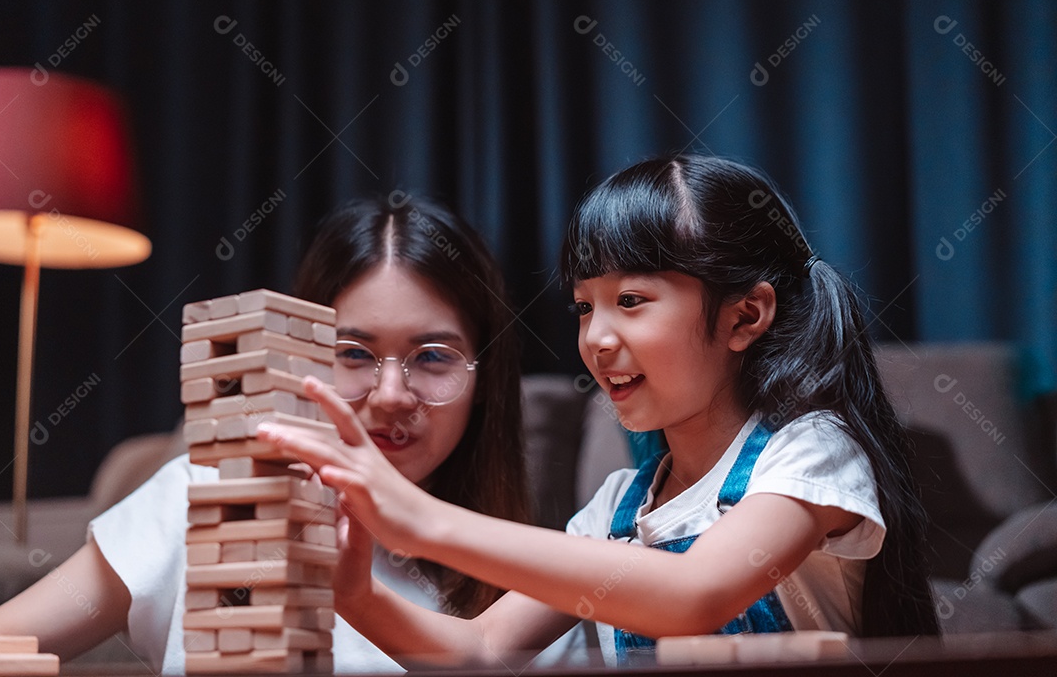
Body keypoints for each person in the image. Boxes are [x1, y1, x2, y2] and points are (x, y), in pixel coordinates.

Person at [258, 154, 940, 668]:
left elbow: (696, 593)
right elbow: (481, 650)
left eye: (632, 302)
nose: (596, 338)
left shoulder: (811, 453)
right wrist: (355, 597)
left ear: (747, 315)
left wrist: (421, 520)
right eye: (585, 307)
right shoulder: (618, 511)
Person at [0, 194, 538, 672]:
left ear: (484, 378)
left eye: (433, 357)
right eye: (352, 353)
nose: (391, 394)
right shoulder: (211, 497)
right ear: (300, 355)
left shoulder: (527, 574)